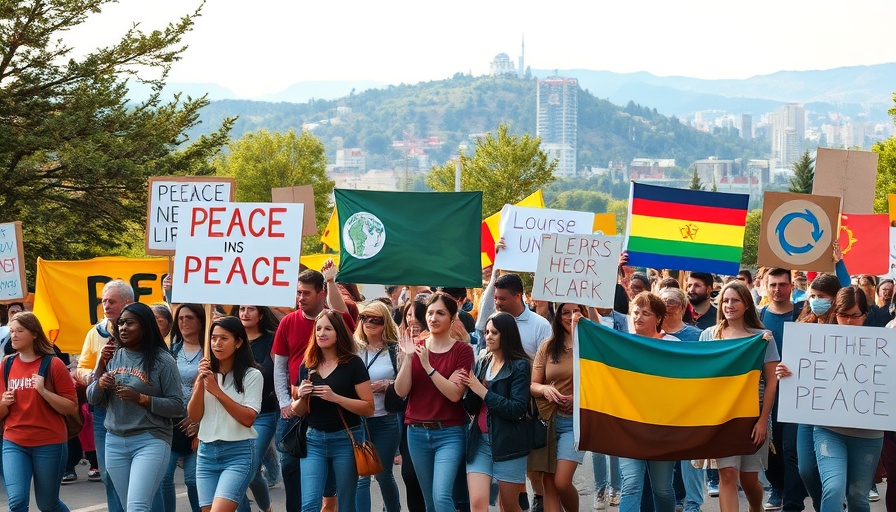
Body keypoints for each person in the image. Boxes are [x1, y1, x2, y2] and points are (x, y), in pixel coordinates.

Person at [777, 285, 883, 512]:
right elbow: (803, 370)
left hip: (869, 434)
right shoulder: (820, 341)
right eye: (844, 315)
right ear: (835, 314)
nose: (850, 321)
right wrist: (786, 372)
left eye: (856, 315)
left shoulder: (881, 345)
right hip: (829, 430)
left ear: (865, 315)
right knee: (833, 488)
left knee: (858, 499)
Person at [87, 302, 184, 512]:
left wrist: (142, 398)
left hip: (150, 440)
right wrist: (100, 379)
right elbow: (93, 399)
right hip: (114, 439)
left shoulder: (163, 361)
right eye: (120, 323)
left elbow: (178, 406)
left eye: (130, 323)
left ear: (145, 326)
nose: (123, 328)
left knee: (137, 507)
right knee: (127, 506)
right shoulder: (112, 355)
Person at [272, 267, 354, 512]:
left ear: (321, 294)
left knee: (325, 470)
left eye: (306, 293)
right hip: (295, 408)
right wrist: (285, 402)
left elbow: (345, 316)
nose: (300, 298)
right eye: (298, 293)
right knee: (288, 463)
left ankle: (328, 501)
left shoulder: (334, 321)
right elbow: (280, 365)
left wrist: (331, 281)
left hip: (328, 409)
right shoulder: (288, 321)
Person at [698, 281, 779, 512]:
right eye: (725, 300)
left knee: (749, 480)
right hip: (722, 417)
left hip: (754, 414)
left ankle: (756, 508)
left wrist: (763, 420)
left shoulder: (762, 338)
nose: (729, 305)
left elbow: (772, 381)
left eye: (735, 300)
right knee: (728, 474)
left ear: (746, 305)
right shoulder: (708, 336)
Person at [394, 292, 474, 512]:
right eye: (430, 313)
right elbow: (401, 390)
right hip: (416, 432)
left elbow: (455, 394)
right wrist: (409, 358)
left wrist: (428, 366)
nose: (433, 318)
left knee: (441, 497)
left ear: (452, 317)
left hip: (450, 432)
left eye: (440, 313)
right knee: (429, 502)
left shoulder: (463, 351)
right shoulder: (415, 346)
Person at [290, 310, 374, 512]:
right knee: (309, 504)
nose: (321, 333)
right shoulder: (307, 364)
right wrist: (301, 395)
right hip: (313, 440)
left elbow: (369, 407)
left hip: (346, 438)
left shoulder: (353, 363)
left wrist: (336, 398)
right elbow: (298, 411)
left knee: (346, 503)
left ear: (338, 333)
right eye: (318, 329)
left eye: (328, 328)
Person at [1, 311, 78, 512]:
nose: (14, 335)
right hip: (14, 442)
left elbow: (71, 407)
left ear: (34, 333)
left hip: (49, 443)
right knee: (17, 502)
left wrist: (43, 391)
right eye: (12, 331)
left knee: (48, 504)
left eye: (20, 330)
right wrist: (4, 403)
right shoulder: (6, 364)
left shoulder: (53, 364)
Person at [188, 316, 263, 512]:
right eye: (213, 338)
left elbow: (248, 418)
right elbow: (194, 416)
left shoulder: (252, 375)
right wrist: (199, 386)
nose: (216, 344)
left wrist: (216, 391)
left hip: (237, 453)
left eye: (223, 338)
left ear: (238, 342)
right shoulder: (206, 373)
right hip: (206, 453)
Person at [461, 312, 532, 512]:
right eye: (486, 332)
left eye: (494, 332)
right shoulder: (484, 361)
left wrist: (482, 390)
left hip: (509, 443)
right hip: (480, 443)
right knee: (476, 503)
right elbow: (472, 407)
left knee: (508, 506)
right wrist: (468, 389)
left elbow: (517, 409)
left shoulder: (520, 366)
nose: (488, 336)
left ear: (506, 335)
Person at [76, 279, 133, 512]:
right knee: (109, 474)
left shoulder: (144, 330)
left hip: (137, 409)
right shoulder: (95, 333)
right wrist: (94, 376)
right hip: (103, 412)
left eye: (111, 301)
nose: (106, 306)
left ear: (128, 302)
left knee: (140, 478)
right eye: (103, 301)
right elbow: (81, 368)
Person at [617, 292, 677, 512]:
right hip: (629, 426)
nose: (638, 317)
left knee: (662, 489)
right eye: (635, 311)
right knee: (631, 484)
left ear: (658, 318)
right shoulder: (622, 343)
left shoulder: (673, 345)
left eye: (646, 313)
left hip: (662, 428)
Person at [529, 302, 588, 512]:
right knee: (549, 483)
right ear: (558, 315)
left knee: (562, 481)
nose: (571, 316)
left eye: (576, 311)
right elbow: (533, 384)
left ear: (584, 312)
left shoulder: (591, 346)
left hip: (576, 422)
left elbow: (603, 385)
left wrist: (578, 398)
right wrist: (545, 389)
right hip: (549, 421)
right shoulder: (548, 345)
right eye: (565, 312)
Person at [756, 268, 806, 512]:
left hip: (797, 393)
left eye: (782, 284)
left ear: (792, 285)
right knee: (770, 446)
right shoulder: (758, 316)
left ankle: (792, 500)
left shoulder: (802, 314)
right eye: (773, 284)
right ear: (766, 285)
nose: (777, 289)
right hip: (768, 394)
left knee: (791, 449)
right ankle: (777, 488)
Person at [793, 272, 843, 510]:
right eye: (812, 296)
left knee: (830, 471)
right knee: (806, 469)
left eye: (821, 296)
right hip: (807, 408)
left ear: (835, 299)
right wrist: (785, 370)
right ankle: (821, 505)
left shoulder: (845, 327)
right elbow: (794, 364)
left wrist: (839, 261)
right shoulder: (803, 327)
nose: (815, 300)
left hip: (836, 408)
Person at [354, 301, 402, 512]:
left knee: (383, 474)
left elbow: (408, 382)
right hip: (358, 420)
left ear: (386, 323)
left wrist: (389, 385)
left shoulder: (395, 350)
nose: (370, 323)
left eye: (376, 319)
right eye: (365, 318)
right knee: (362, 476)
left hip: (386, 420)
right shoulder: (353, 349)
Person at [232, 305, 280, 512]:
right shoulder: (229, 340)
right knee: (243, 470)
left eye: (251, 309)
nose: (245, 313)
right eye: (242, 308)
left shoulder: (272, 340)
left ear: (260, 314)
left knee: (247, 469)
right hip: (232, 413)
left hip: (264, 413)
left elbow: (276, 376)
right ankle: (266, 508)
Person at [163, 303, 207, 512]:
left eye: (189, 317)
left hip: (200, 424)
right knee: (163, 478)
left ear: (200, 320)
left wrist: (198, 420)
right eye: (180, 318)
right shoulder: (170, 351)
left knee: (193, 480)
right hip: (171, 423)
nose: (183, 322)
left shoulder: (210, 352)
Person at [395, 300, 427, 512]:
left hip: (435, 418)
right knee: (409, 474)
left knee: (429, 480)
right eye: (408, 315)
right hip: (407, 416)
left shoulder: (435, 342)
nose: (412, 320)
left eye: (416, 315)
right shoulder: (399, 343)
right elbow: (399, 384)